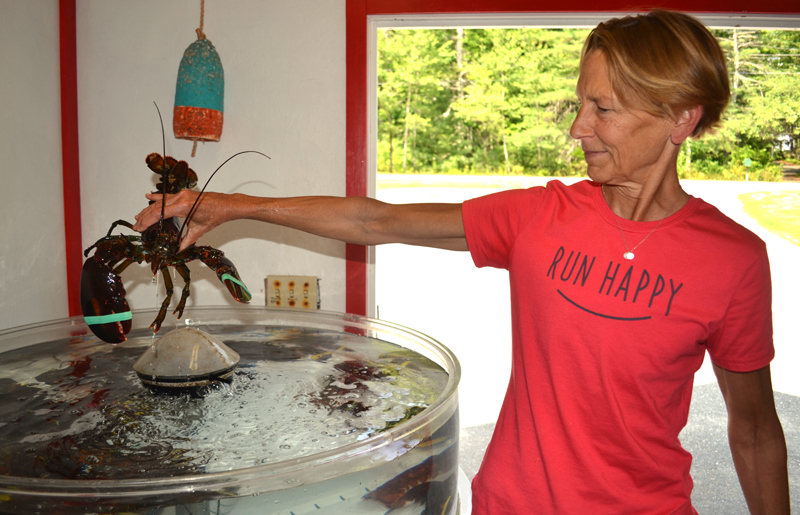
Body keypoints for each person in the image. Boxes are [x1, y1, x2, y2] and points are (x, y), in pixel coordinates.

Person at [133, 10, 789, 514]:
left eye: (603, 109)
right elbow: (373, 219)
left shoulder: (733, 259)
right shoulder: (539, 217)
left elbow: (755, 428)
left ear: (680, 118)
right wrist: (226, 204)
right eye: (581, 102)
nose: (577, 127)